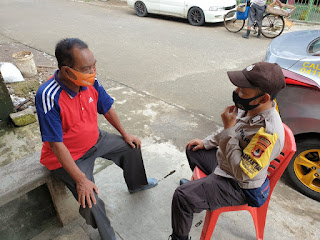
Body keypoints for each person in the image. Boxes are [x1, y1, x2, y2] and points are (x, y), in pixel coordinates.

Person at [35, 38, 158, 240]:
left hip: (95, 139)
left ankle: (138, 183)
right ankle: (108, 235)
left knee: (132, 147)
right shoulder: (48, 95)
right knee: (90, 200)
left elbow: (107, 109)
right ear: (66, 71)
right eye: (86, 68)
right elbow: (56, 145)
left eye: (94, 65)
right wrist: (81, 180)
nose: (93, 71)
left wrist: (125, 134)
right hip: (69, 155)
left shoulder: (90, 81)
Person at [169, 62, 286, 240]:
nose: (237, 93)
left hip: (238, 184)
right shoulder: (250, 107)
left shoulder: (268, 134)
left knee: (182, 196)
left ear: (263, 98)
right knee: (193, 148)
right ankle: (202, 192)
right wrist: (206, 142)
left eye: (243, 91)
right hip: (227, 165)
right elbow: (229, 129)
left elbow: (241, 172)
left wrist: (228, 130)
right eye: (238, 87)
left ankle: (180, 237)